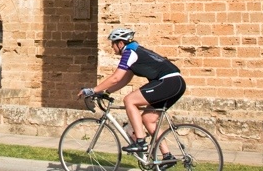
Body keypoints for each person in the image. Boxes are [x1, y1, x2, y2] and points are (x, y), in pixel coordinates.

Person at [78, 27, 186, 161]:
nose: (112, 47)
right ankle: (167, 156)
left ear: (121, 43)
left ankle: (140, 141)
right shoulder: (136, 52)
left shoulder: (129, 52)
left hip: (168, 82)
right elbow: (125, 79)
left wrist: (93, 90)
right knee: (148, 120)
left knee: (129, 100)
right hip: (175, 83)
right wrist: (106, 92)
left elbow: (115, 78)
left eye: (113, 43)